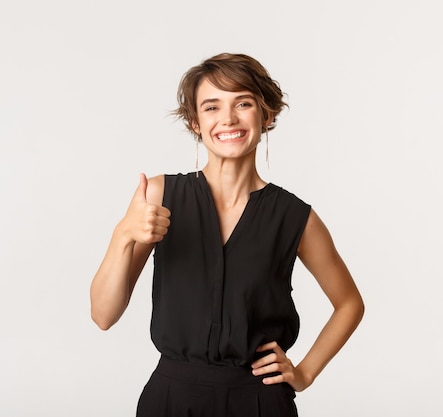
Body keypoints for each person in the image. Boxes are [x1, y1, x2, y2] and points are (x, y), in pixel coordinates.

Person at [90, 52, 364, 417]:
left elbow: (349, 304)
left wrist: (305, 373)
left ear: (266, 114)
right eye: (212, 107)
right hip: (172, 400)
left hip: (260, 401)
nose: (228, 119)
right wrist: (122, 235)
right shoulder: (158, 196)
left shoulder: (295, 217)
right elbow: (103, 316)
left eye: (243, 103)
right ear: (194, 122)